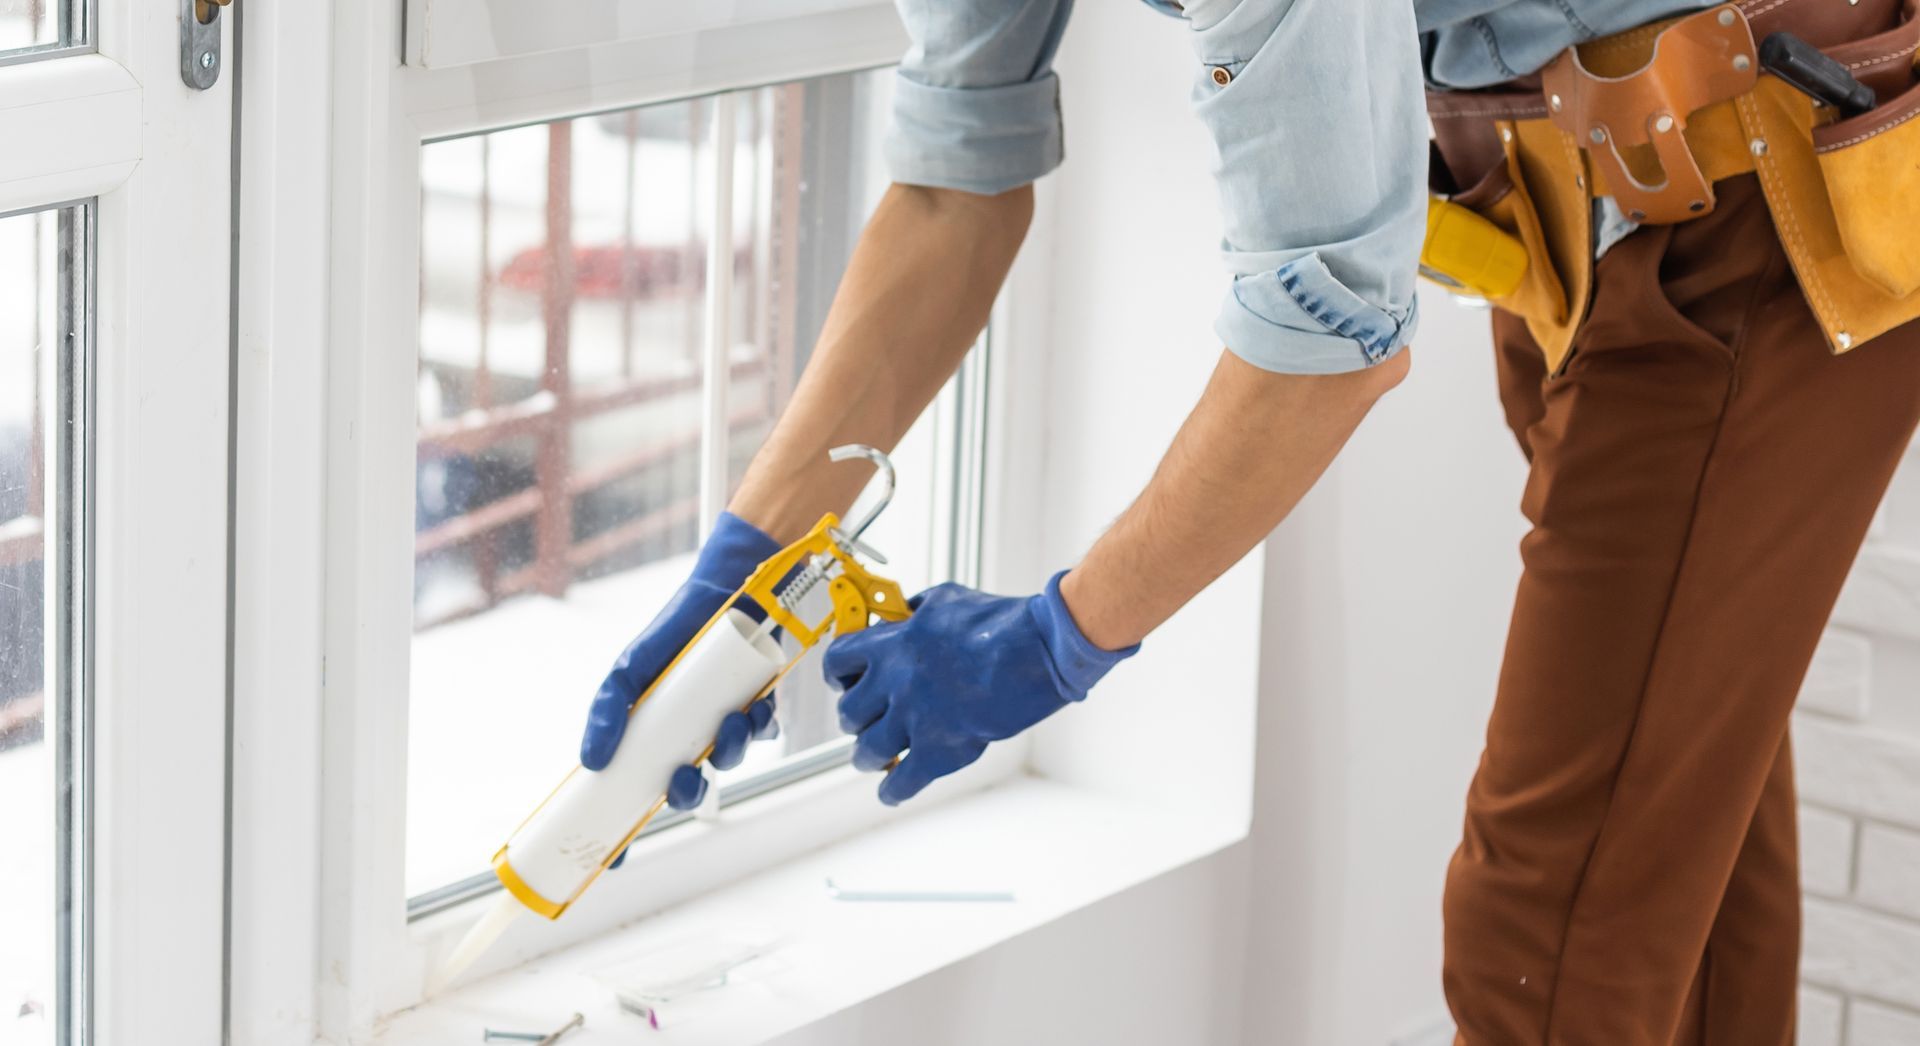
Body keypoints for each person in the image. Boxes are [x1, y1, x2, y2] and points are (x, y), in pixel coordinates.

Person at [579, 1, 1920, 1041]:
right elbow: (950, 181)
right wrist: (745, 558)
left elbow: (1325, 344)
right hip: (1572, 206)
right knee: (1674, 806)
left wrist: (1050, 643)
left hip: (1749, 207)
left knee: (1543, 939)